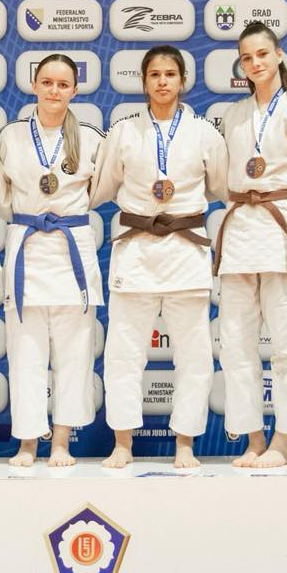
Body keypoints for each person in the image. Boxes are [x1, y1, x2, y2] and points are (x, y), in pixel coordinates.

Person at [90, 46, 228, 469]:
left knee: (194, 355)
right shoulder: (124, 132)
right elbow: (99, 188)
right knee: (123, 353)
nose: (162, 81)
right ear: (144, 81)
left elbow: (221, 187)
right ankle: (123, 442)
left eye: (170, 74)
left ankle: (185, 442)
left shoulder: (205, 133)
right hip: (136, 249)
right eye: (154, 74)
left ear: (183, 80)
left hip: (186, 249)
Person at [215, 22, 287, 468]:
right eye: (246, 58)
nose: (255, 63)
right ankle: (253, 438)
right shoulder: (233, 115)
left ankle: (283, 440)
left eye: (262, 54)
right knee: (234, 341)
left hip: (283, 226)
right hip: (240, 227)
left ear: (279, 55)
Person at [0, 54, 104, 467]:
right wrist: (26, 216)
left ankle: (61, 442)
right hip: (28, 247)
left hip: (72, 249)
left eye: (63, 84)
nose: (54, 90)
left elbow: (102, 187)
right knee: (25, 354)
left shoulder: (90, 138)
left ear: (75, 90)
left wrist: (67, 214)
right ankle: (27, 442)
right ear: (34, 85)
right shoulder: (11, 135)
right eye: (47, 82)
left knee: (74, 354)